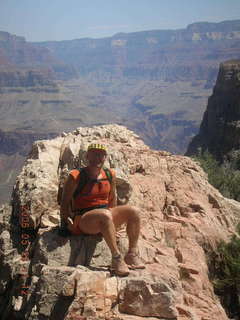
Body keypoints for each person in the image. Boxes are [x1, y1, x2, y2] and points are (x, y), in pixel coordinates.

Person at [60, 143, 145, 276]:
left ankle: (132, 254)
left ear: (105, 157)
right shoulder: (75, 176)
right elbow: (64, 203)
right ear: (87, 156)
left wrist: (112, 226)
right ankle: (116, 259)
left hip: (104, 216)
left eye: (101, 155)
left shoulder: (109, 174)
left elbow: (112, 200)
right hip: (83, 220)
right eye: (94, 154)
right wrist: (64, 224)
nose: (98, 157)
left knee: (134, 211)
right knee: (104, 215)